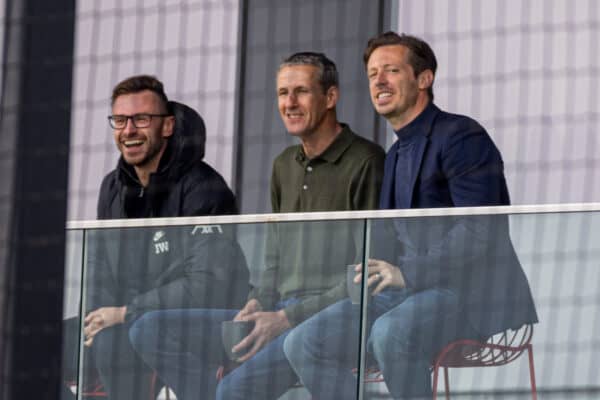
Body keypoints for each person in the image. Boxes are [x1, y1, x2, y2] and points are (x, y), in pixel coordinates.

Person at [283, 32, 538, 399]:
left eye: (391, 70)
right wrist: (363, 274)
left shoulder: (462, 135)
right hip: (407, 294)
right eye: (372, 74)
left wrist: (407, 273)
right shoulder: (396, 154)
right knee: (302, 342)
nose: (379, 81)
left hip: (466, 294)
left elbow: (480, 230)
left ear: (424, 79)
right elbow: (386, 239)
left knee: (390, 332)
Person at [128, 52, 385, 400]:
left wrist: (287, 317)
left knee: (232, 393)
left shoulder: (366, 161)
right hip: (276, 315)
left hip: (324, 320)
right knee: (148, 328)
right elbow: (273, 263)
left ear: (331, 97)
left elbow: (364, 274)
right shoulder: (283, 165)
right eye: (282, 93)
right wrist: (256, 302)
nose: (289, 103)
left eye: (301, 92)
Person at [73, 75, 246, 400]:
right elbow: (96, 267)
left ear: (167, 127)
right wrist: (95, 316)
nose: (129, 131)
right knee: (34, 338)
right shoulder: (112, 187)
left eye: (141, 119)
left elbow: (208, 284)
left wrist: (126, 311)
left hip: (191, 321)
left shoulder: (204, 187)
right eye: (120, 120)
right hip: (126, 317)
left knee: (118, 341)